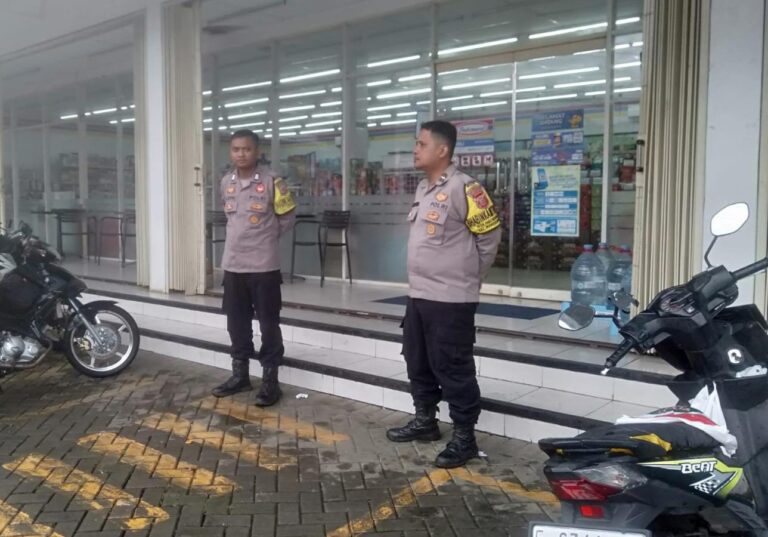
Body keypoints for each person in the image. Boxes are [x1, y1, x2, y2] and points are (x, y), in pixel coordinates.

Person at [386, 120, 502, 468]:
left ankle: (465, 438)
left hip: (451, 299)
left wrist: (468, 278)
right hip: (420, 295)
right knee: (418, 360)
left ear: (442, 149)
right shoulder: (424, 188)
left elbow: (489, 238)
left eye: (421, 144)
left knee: (453, 367)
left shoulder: (465, 188)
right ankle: (425, 421)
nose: (415, 150)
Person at [212, 129, 296, 407]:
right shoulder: (226, 182)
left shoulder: (273, 181)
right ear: (230, 152)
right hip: (233, 265)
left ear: (257, 151)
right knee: (236, 322)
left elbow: (287, 218)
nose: (241, 154)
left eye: (246, 149)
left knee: (268, 323)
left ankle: (270, 381)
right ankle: (240, 375)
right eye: (236, 149)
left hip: (263, 266)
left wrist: (266, 239)